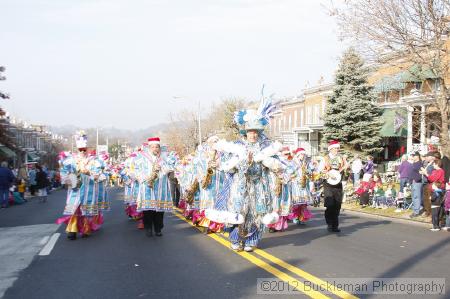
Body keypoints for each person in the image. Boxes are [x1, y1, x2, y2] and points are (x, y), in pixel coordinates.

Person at [136, 137, 177, 237]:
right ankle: (148, 228)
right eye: (153, 147)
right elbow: (137, 170)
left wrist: (162, 169)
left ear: (159, 148)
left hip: (161, 186)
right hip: (147, 187)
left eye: (157, 147)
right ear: (149, 148)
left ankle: (158, 229)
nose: (155, 149)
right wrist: (148, 176)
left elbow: (171, 167)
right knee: (148, 210)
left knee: (159, 210)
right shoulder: (143, 158)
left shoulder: (164, 158)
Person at [322, 140, 348, 232]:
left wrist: (346, 167)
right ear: (331, 149)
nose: (337, 150)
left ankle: (335, 225)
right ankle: (329, 223)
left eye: (338, 148)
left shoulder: (341, 158)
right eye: (335, 148)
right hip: (328, 184)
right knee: (330, 204)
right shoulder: (325, 158)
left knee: (337, 205)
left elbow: (345, 171)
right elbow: (321, 171)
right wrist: (328, 174)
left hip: (338, 184)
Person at [409, 152, 424, 218]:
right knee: (414, 197)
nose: (412, 157)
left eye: (413, 156)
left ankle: (416, 212)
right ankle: (415, 210)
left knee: (416, 197)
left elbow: (421, 173)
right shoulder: (414, 163)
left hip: (417, 183)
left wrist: (416, 179)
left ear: (417, 156)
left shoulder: (419, 163)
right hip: (413, 182)